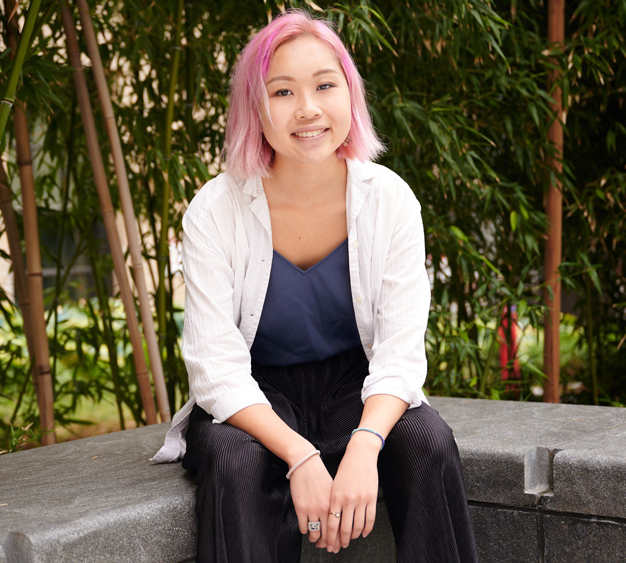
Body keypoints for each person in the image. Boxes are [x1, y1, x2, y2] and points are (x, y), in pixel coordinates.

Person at [151, 11, 477, 562]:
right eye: (282, 91)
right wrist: (302, 457)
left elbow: (399, 355)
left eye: (326, 85)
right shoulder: (215, 209)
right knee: (237, 461)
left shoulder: (390, 201)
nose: (308, 108)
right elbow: (215, 367)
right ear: (255, 109)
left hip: (355, 384)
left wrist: (364, 446)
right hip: (256, 394)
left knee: (428, 443)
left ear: (350, 93)